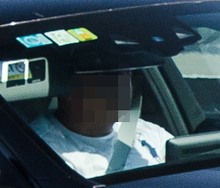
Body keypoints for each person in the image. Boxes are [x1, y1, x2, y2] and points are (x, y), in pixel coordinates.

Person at [27, 66, 170, 178]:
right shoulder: (44, 153)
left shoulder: (145, 130)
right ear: (68, 91)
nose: (123, 86)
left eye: (127, 75)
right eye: (110, 77)